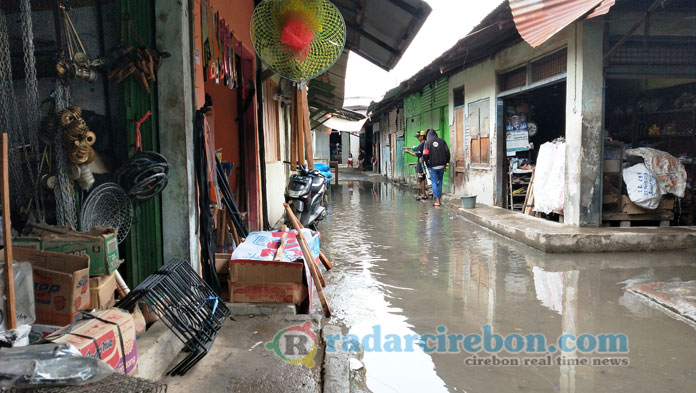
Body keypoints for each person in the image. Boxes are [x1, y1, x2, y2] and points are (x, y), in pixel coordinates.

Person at [422, 128, 450, 207]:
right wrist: (446, 162)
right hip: (442, 165)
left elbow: (425, 154)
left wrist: (427, 163)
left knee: (434, 182)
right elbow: (447, 153)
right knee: (440, 181)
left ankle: (437, 201)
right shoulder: (442, 141)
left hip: (433, 166)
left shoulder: (427, 143)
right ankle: (439, 199)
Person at [404, 130, 427, 200]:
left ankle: (424, 194)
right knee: (424, 178)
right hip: (425, 164)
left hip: (422, 164)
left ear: (422, 137)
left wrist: (408, 152)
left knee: (421, 179)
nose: (417, 138)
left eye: (418, 137)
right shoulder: (425, 144)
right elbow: (417, 148)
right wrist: (411, 148)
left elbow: (417, 154)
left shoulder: (422, 145)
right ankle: (424, 193)